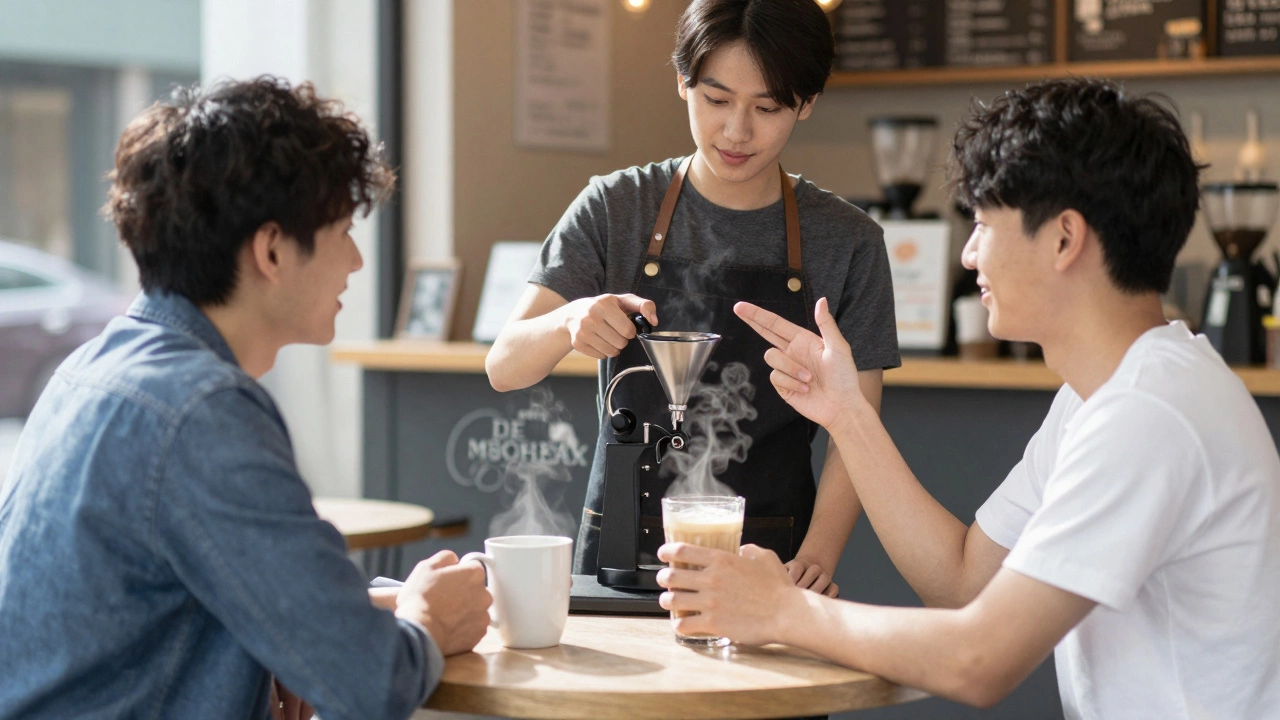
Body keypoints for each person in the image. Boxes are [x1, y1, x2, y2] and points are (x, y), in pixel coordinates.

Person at [656, 77, 1280, 717]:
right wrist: (845, 412)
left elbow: (979, 661)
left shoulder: (1149, 414)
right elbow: (962, 582)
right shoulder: (1103, 396)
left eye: (983, 224)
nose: (972, 254)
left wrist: (784, 610)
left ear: (1065, 238)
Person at [0, 77, 491, 720]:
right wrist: (428, 617)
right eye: (343, 231)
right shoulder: (202, 409)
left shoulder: (92, 370)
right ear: (271, 250)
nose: (355, 263)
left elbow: (157, 605)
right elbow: (371, 683)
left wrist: (276, 650)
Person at [485, 0, 899, 595]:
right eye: (716, 99)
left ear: (806, 103)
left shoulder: (848, 241)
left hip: (771, 563)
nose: (736, 131)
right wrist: (567, 322)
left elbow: (859, 424)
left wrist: (818, 554)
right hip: (619, 555)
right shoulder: (614, 208)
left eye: (767, 107)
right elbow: (504, 367)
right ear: (682, 82)